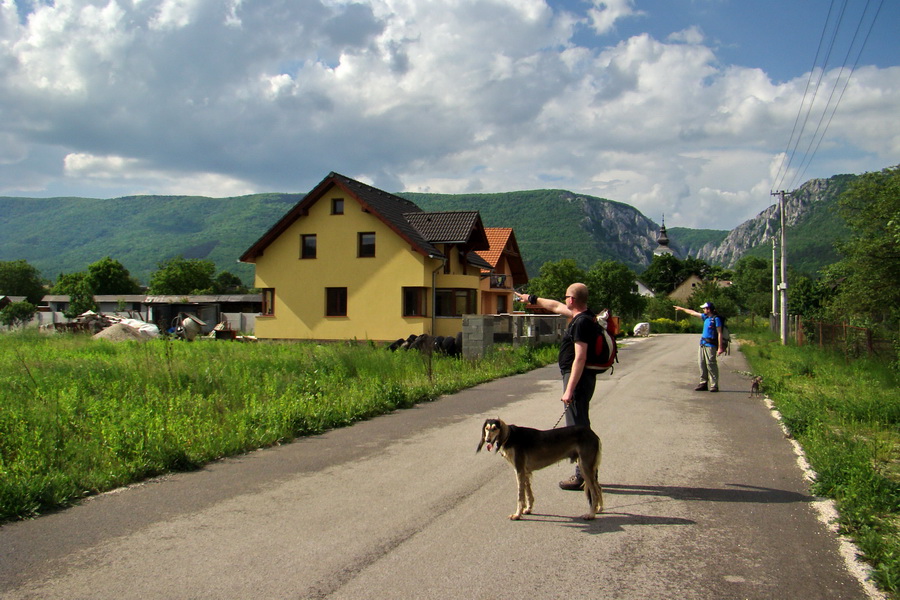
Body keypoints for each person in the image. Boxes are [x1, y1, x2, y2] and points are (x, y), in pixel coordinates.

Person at [515, 283, 598, 490]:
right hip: (579, 379)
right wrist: (531, 299)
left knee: (577, 429)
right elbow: (554, 305)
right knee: (577, 425)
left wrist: (569, 389)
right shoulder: (584, 315)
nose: (564, 300)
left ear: (572, 300)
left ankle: (583, 475)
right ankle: (588, 472)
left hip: (577, 379)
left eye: (566, 296)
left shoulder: (581, 323)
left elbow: (580, 358)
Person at [673, 301, 725, 392]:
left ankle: (714, 385)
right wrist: (682, 309)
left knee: (711, 364)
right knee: (701, 363)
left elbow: (720, 333)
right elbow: (693, 312)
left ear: (708, 309)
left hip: (711, 345)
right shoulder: (705, 317)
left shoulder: (716, 319)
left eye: (704, 308)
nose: (703, 310)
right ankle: (703, 383)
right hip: (703, 344)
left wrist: (720, 348)